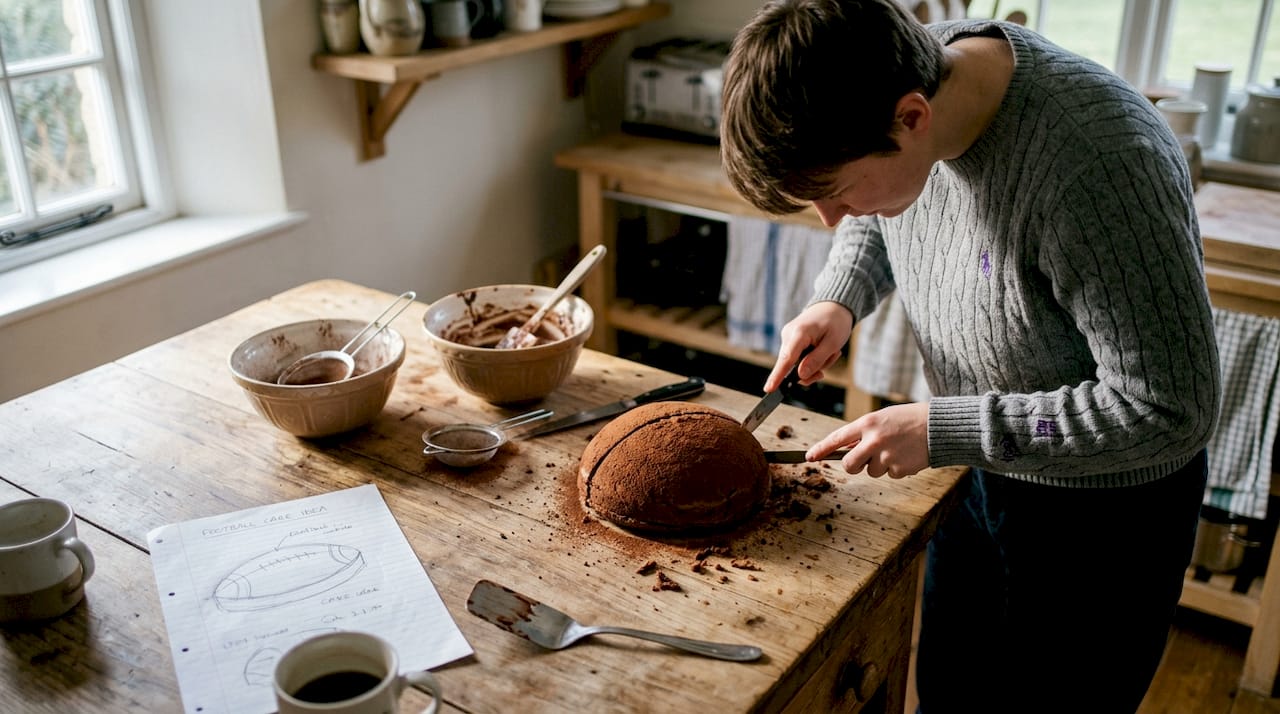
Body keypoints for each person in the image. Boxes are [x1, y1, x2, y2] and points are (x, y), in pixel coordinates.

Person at [719, 2, 1222, 712]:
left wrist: (941, 429)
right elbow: (884, 215)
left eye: (830, 193)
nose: (830, 220)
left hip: (1100, 524)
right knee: (948, 695)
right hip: (974, 473)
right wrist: (839, 298)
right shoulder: (918, 73)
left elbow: (1169, 407)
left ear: (913, 117)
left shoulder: (1100, 163)